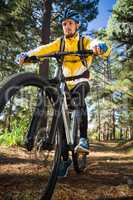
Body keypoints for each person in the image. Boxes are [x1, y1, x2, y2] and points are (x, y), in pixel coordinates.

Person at [18, 9, 111, 177]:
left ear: (77, 25)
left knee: (79, 99)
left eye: (70, 23)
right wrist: (28, 55)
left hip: (81, 81)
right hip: (64, 84)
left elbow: (95, 43)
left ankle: (83, 139)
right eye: (64, 24)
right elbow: (44, 49)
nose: (67, 26)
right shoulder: (59, 43)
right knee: (60, 119)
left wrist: (100, 47)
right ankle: (65, 159)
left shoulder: (84, 41)